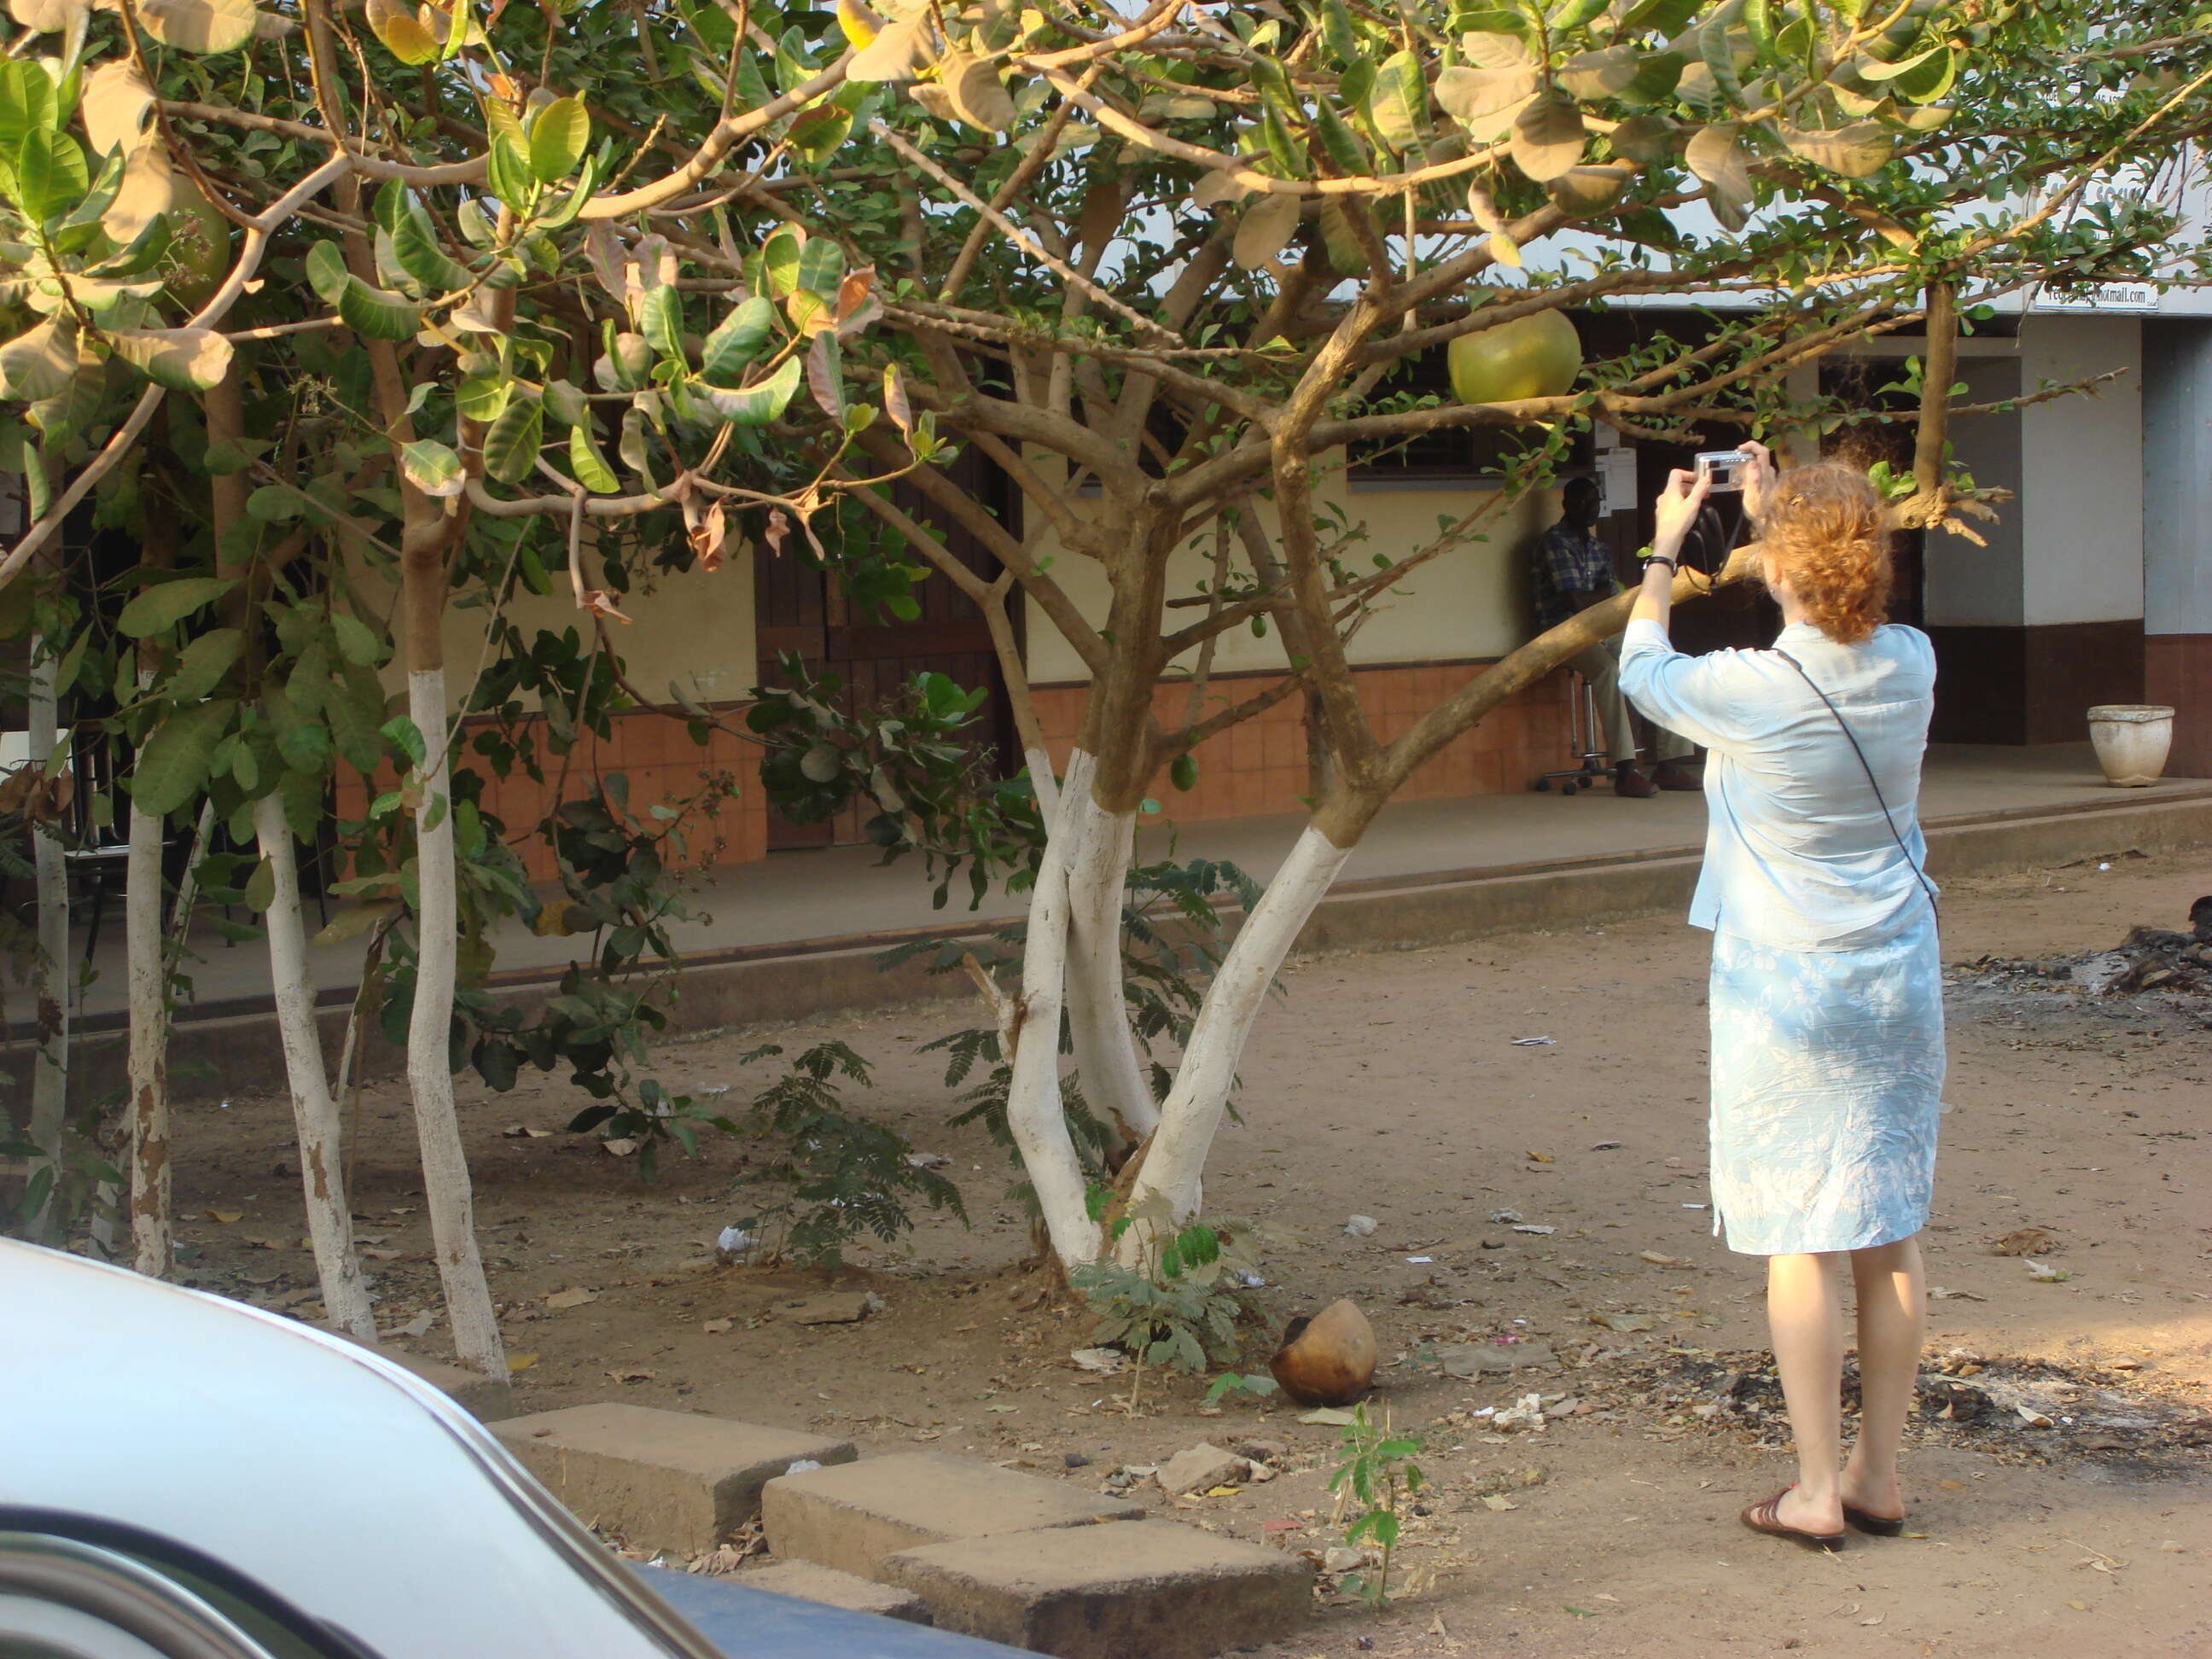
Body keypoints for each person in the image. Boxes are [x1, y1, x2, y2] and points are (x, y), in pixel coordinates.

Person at [1617, 442, 1943, 1553]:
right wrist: (1780, 514)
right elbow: (1835, 607)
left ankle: (1812, 1488)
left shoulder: (1749, 692)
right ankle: (1879, 1475)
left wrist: (1667, 545)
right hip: (1896, 971)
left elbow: (1640, 672)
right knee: (1887, 1232)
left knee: (1800, 1239)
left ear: (1776, 565)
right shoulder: (1913, 661)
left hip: (1785, 983)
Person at [1529, 477, 1700, 796]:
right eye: (1584, 502)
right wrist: (1601, 595)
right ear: (1567, 505)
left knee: (1657, 655)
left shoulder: (1598, 547)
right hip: (1560, 633)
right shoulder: (1554, 542)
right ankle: (1625, 769)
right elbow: (1574, 602)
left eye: (1595, 502)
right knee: (1609, 671)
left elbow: (1610, 597)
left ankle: (1669, 763)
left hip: (1603, 628)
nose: (1591, 509)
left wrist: (1599, 596)